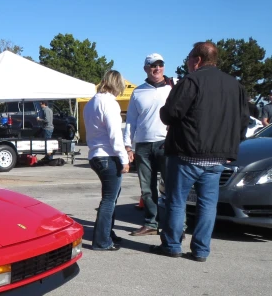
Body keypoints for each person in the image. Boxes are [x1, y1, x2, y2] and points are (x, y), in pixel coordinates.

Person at [152, 42, 249, 262]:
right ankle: (201, 250)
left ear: (197, 60)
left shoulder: (191, 81)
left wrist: (164, 109)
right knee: (207, 205)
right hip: (217, 157)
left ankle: (172, 245)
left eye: (188, 58)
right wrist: (230, 146)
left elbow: (171, 115)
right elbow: (243, 121)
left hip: (187, 153)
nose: (186, 62)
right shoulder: (235, 85)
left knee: (176, 201)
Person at [123, 53, 174, 236]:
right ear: (146, 69)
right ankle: (151, 223)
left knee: (171, 187)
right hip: (143, 145)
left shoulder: (172, 89)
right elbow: (131, 121)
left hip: (165, 144)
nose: (157, 68)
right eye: (153, 65)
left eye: (160, 65)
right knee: (147, 188)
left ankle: (175, 225)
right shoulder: (138, 92)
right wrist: (128, 146)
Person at [83, 71, 129, 251]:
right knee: (109, 200)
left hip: (95, 154)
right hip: (108, 155)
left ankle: (107, 233)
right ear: (117, 85)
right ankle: (102, 240)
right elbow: (115, 134)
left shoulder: (91, 102)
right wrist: (124, 158)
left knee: (110, 197)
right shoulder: (109, 103)